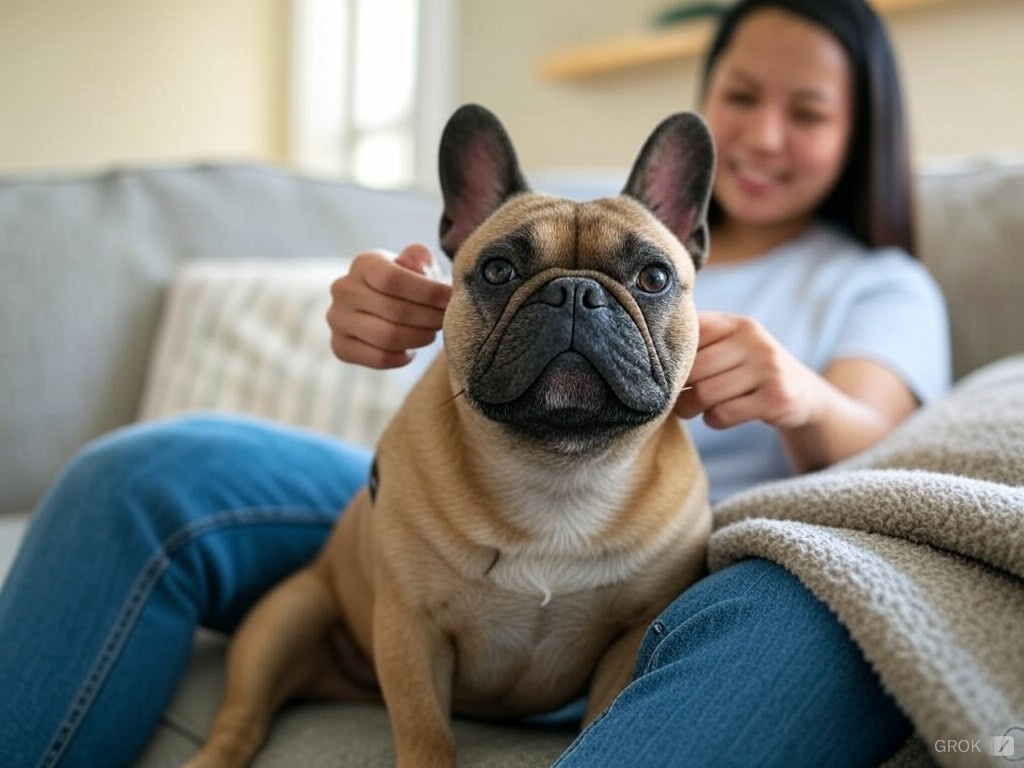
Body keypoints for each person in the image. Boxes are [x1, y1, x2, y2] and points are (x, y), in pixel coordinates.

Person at [0, 0, 949, 766]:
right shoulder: (570, 219)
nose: (766, 134)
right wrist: (381, 308)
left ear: (861, 130)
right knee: (134, 474)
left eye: (810, 112)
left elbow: (891, 462)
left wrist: (802, 395)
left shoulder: (875, 282)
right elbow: (462, 282)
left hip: (650, 530)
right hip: (438, 491)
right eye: (742, 95)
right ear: (707, 99)